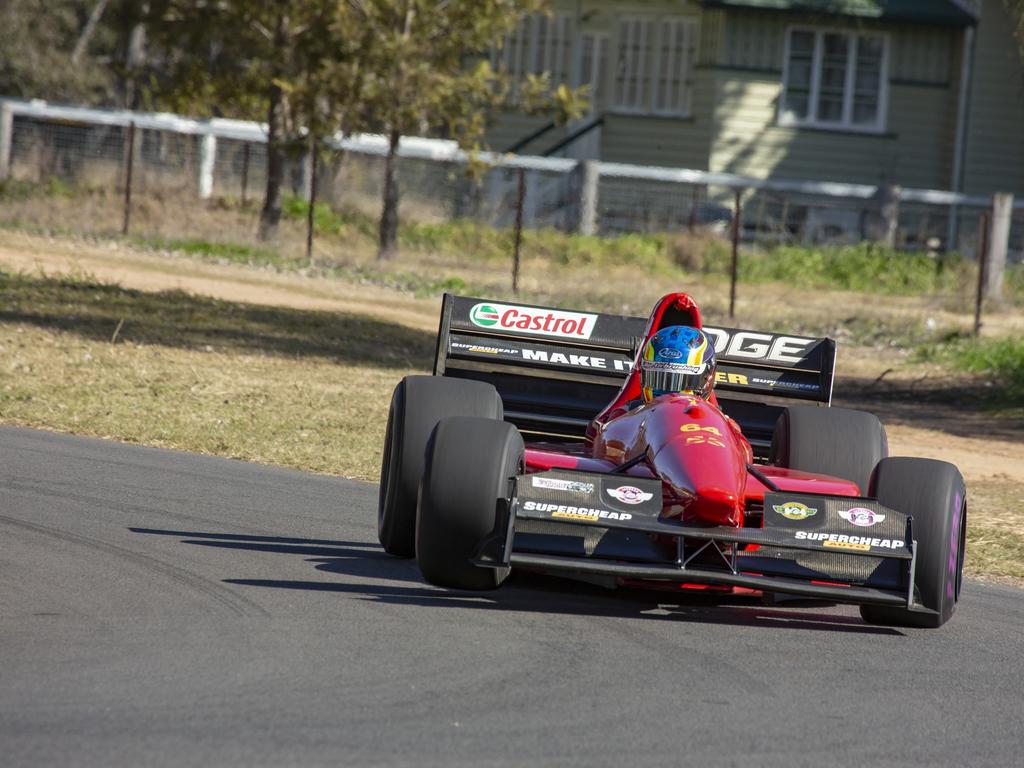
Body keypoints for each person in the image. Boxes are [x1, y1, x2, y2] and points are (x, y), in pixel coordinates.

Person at [639, 325, 717, 402]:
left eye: (682, 382)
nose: (667, 394)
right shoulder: (630, 411)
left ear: (707, 380)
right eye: (657, 379)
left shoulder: (714, 415)